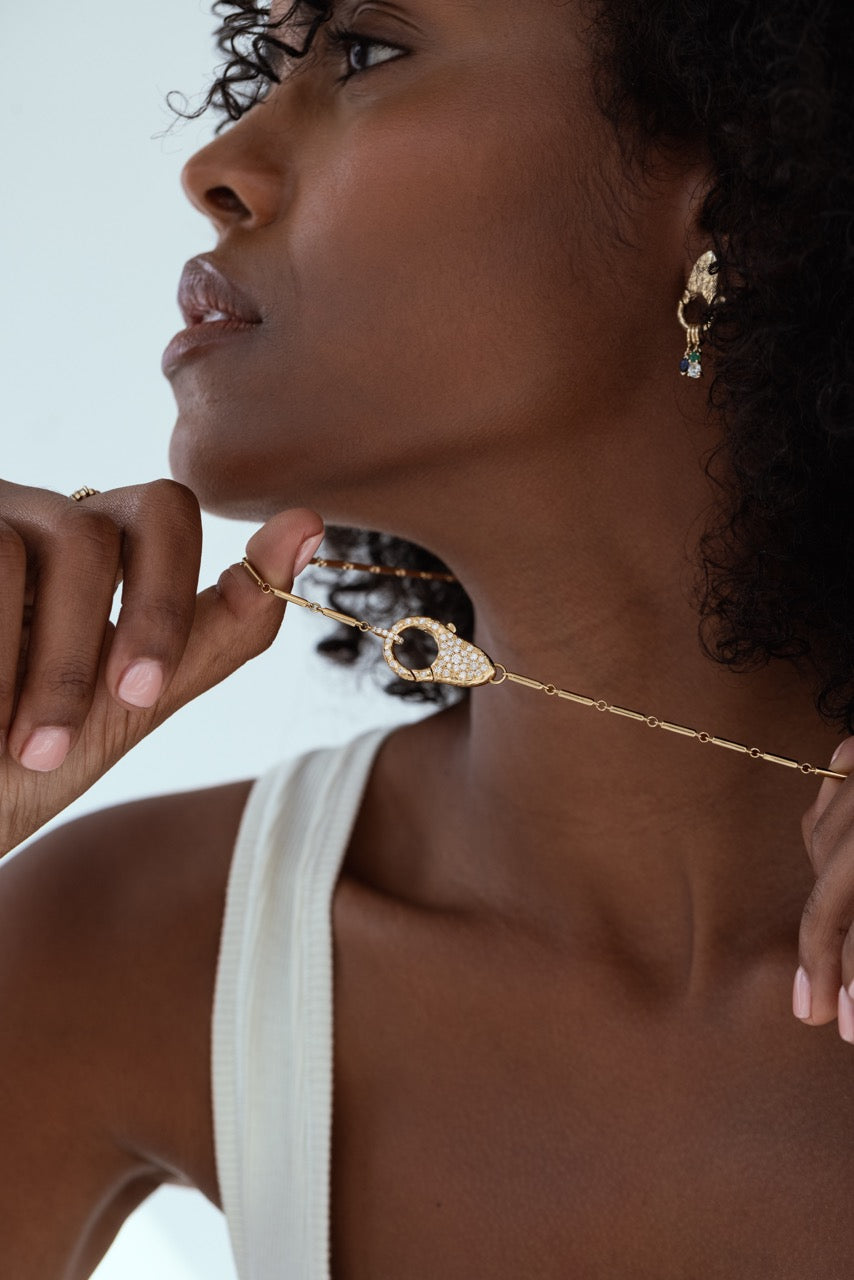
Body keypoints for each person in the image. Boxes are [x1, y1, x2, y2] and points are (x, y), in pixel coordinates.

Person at [2, 0, 854, 1274]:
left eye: (363, 51)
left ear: (734, 178)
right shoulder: (118, 946)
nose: (214, 167)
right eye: (266, 65)